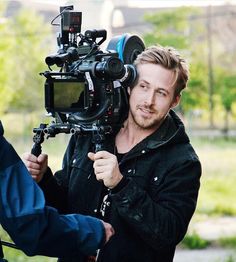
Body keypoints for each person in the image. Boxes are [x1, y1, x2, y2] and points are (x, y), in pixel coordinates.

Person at [23, 45, 202, 262]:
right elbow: (65, 207)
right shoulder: (90, 133)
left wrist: (120, 185)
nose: (149, 101)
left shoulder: (182, 161)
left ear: (174, 101)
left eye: (161, 92)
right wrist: (43, 179)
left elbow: (167, 233)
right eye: (143, 86)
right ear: (129, 87)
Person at [0, 121, 114, 259]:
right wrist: (94, 231)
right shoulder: (80, 140)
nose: (148, 102)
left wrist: (43, 180)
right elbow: (31, 228)